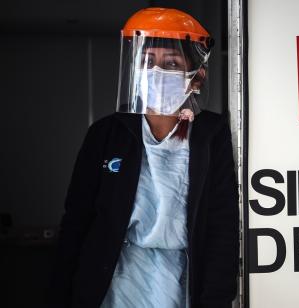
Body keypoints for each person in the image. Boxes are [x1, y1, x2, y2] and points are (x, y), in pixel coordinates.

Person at [45, 7, 239, 308]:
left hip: (181, 280)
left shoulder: (211, 136)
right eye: (147, 62)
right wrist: (60, 294)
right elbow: (77, 221)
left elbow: (222, 229)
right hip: (115, 279)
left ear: (196, 77)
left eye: (171, 63)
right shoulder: (107, 134)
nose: (156, 72)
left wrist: (216, 300)